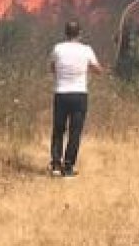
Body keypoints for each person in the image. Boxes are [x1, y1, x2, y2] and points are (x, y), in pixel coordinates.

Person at [49, 19, 103, 178]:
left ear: (65, 33)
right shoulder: (86, 50)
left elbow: (52, 68)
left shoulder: (57, 48)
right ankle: (68, 167)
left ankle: (55, 165)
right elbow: (97, 69)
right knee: (75, 132)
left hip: (61, 94)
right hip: (79, 95)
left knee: (58, 130)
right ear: (79, 34)